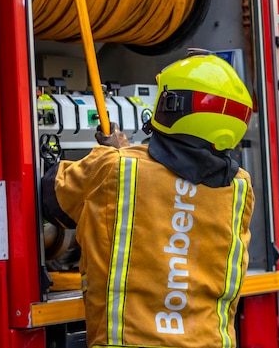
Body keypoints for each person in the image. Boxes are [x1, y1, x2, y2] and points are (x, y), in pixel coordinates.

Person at [42, 52, 255, 348]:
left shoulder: (115, 166)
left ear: (171, 107)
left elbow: (52, 199)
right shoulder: (240, 189)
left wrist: (109, 152)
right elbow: (168, 183)